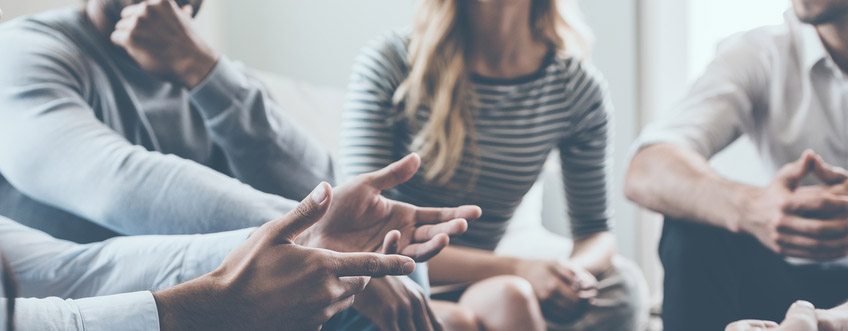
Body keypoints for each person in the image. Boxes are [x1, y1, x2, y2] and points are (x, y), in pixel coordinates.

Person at [341, 0, 646, 330]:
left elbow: (595, 232)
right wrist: (519, 269)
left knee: (621, 288)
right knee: (502, 299)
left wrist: (567, 276)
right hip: (393, 279)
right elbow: (360, 231)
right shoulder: (392, 64)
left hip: (483, 284)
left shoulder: (573, 89)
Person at [625, 0, 848, 329]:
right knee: (694, 225)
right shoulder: (762, 52)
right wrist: (753, 207)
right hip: (780, 281)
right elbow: (646, 169)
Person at [0, 183, 418, 330]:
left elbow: (74, 271)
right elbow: (122, 179)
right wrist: (205, 307)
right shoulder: (36, 52)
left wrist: (302, 243)